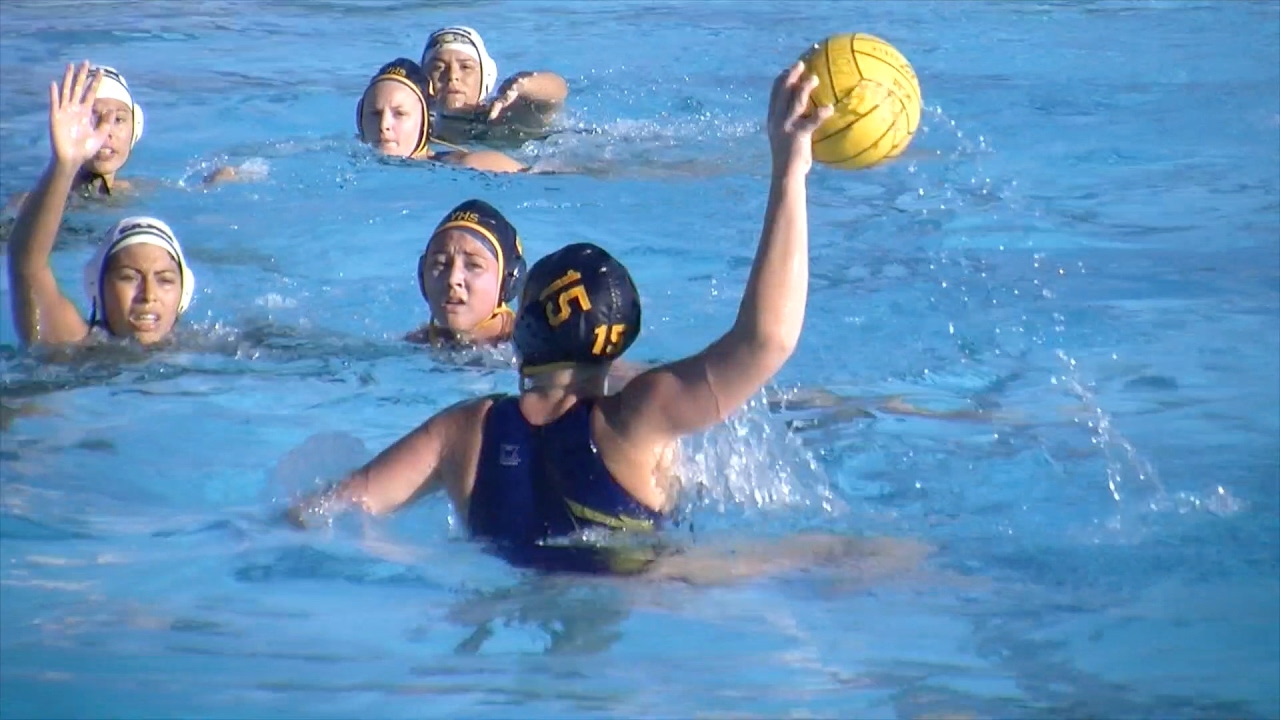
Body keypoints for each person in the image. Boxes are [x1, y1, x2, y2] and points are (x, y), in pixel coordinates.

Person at [286, 62, 836, 574]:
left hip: (498, 621)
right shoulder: (638, 416)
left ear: (518, 326)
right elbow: (767, 339)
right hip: (642, 604)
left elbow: (325, 510)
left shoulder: (464, 429)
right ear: (617, 344)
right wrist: (790, 169)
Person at [7, 62, 196, 348]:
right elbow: (26, 264)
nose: (148, 296)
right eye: (128, 277)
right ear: (97, 287)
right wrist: (64, 165)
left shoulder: (218, 347)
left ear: (184, 294)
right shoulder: (72, 345)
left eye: (165, 280)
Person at [2, 62, 146, 215]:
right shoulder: (27, 208)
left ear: (136, 127)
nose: (106, 129)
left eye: (118, 119)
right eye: (91, 118)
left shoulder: (143, 192)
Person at [356, 58, 525, 173]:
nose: (383, 125)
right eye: (375, 113)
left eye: (399, 113)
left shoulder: (468, 165)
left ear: (425, 121)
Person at [406, 198, 526, 347]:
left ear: (509, 280)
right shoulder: (416, 344)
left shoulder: (531, 350)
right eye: (440, 264)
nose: (452, 279)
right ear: (422, 275)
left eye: (473, 265)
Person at [419, 26, 569, 144]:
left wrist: (525, 85)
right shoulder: (415, 122)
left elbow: (557, 91)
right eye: (438, 67)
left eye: (465, 67)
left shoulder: (505, 116)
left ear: (485, 76)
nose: (452, 77)